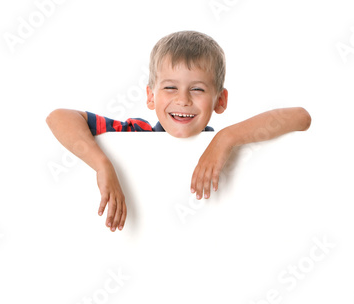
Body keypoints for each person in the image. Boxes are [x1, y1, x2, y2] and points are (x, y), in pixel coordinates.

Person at [46, 30, 311, 233]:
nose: (183, 100)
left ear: (220, 100)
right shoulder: (137, 132)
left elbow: (301, 117)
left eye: (197, 89)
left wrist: (225, 138)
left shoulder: (220, 143)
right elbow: (59, 117)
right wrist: (102, 165)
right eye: (170, 88)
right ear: (151, 96)